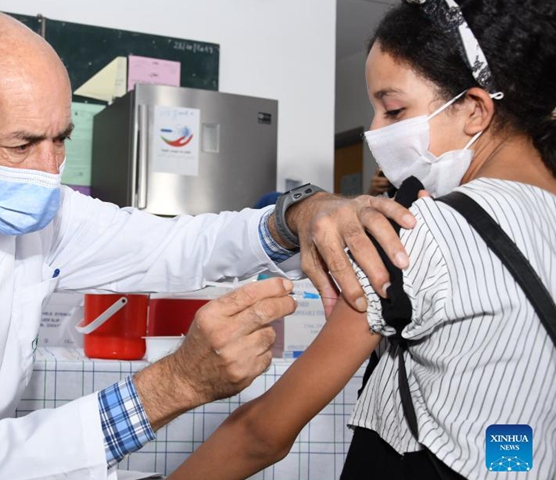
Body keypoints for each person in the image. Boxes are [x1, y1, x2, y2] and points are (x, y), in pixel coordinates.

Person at [0, 10, 414, 480]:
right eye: (22, 144)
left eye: (62, 137)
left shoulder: (30, 210)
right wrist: (172, 385)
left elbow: (175, 248)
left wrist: (295, 215)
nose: (49, 169)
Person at [170, 0, 556, 479]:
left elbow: (263, 434)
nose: (374, 131)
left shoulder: (420, 232)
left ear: (475, 109)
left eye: (393, 109)